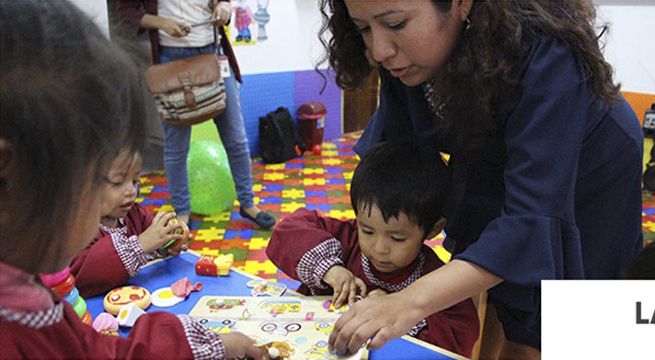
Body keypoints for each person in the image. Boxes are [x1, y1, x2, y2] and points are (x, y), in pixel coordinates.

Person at [317, 1, 644, 358]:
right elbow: (392, 167)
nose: (380, 51)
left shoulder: (549, 51)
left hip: (592, 169)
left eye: (395, 23)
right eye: (363, 28)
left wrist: (407, 302)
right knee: (496, 281)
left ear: (461, 4)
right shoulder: (405, 56)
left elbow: (529, 220)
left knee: (576, 320)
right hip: (486, 152)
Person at [0, 2, 263, 358]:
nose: (111, 204)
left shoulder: (25, 288)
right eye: (102, 182)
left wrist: (161, 242)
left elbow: (95, 350)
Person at [267, 140, 480, 357]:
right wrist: (331, 269)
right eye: (367, 231)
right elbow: (288, 231)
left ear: (433, 230)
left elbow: (460, 333)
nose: (379, 248)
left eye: (397, 238)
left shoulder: (436, 279)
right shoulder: (346, 240)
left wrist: (399, 313)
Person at [117, 0, 275, 229]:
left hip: (213, 53)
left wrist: (224, 8)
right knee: (176, 148)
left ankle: (248, 204)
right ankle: (182, 210)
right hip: (171, 58)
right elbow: (127, 12)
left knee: (237, 139)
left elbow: (223, 3)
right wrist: (163, 23)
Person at [71, 150, 189, 298]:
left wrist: (167, 245)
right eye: (118, 183)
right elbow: (84, 276)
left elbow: (151, 250)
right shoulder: (79, 230)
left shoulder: (135, 214)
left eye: (134, 181)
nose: (131, 191)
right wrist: (139, 246)